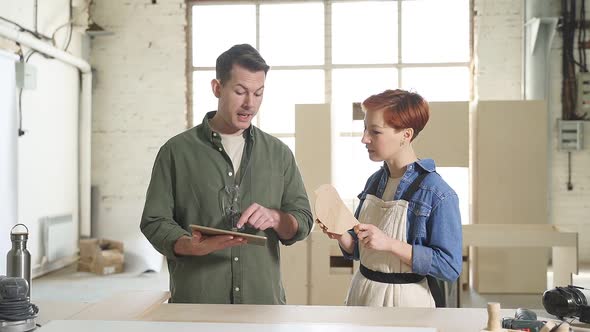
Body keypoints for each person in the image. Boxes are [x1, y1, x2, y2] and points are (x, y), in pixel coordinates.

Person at [140, 44, 313, 304]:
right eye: (240, 91)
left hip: (262, 305)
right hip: (198, 304)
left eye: (258, 93)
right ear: (217, 88)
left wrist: (277, 218)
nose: (250, 104)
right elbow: (154, 220)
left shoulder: (279, 153)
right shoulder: (176, 151)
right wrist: (186, 244)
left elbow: (303, 221)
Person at [320, 89, 462, 307]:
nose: (364, 139)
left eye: (375, 132)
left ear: (406, 134)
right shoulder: (374, 182)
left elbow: (450, 267)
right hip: (363, 294)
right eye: (365, 128)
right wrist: (341, 236)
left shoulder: (437, 193)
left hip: (406, 304)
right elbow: (361, 250)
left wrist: (390, 244)